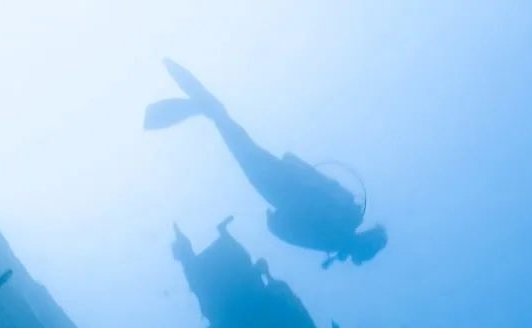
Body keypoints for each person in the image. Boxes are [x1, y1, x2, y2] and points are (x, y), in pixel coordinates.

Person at [144, 59, 388, 267]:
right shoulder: (336, 233)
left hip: (280, 179)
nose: (360, 257)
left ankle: (191, 99)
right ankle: (192, 100)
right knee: (229, 129)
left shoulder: (349, 214)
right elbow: (285, 229)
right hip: (275, 186)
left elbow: (302, 206)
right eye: (365, 254)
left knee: (230, 129)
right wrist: (277, 219)